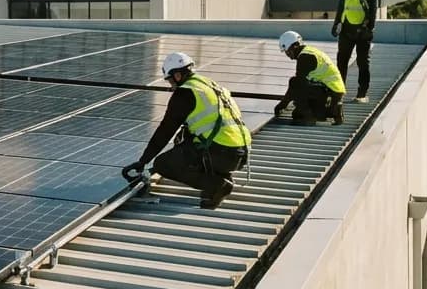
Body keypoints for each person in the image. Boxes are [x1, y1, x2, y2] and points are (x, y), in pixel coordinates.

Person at [121, 52, 251, 209]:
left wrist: (143, 161)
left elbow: (165, 131)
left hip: (221, 153)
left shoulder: (185, 93)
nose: (171, 85)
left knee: (163, 164)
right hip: (240, 153)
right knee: (183, 145)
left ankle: (217, 184)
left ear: (177, 75)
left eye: (170, 80)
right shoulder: (209, 85)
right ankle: (220, 175)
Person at [332, 0, 378, 103]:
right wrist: (336, 22)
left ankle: (362, 94)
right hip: (346, 28)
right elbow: (341, 4)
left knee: (363, 63)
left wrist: (369, 27)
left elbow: (373, 7)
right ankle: (339, 92)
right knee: (341, 61)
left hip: (363, 30)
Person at [274, 31, 345, 126]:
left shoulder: (305, 58)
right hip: (332, 91)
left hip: (331, 91)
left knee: (294, 82)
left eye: (287, 52)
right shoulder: (309, 51)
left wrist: (281, 105)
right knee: (297, 114)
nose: (288, 56)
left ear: (293, 47)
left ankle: (310, 116)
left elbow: (296, 86)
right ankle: (332, 110)